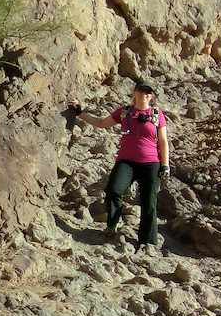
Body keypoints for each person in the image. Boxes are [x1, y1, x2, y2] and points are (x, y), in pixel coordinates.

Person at [71, 81, 170, 249]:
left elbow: (163, 141)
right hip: (127, 161)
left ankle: (147, 242)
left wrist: (165, 165)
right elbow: (101, 122)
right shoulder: (125, 112)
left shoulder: (156, 114)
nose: (144, 95)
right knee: (113, 189)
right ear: (134, 93)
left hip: (151, 163)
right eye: (141, 91)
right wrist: (80, 112)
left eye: (148, 92)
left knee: (149, 202)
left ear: (151, 96)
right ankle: (112, 225)